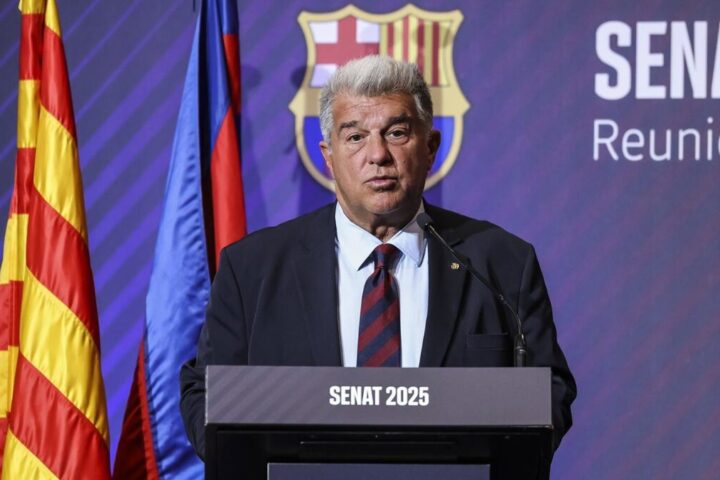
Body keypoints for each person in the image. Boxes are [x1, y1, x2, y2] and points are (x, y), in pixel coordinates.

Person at [180, 55, 576, 466]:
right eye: (355, 137)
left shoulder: (501, 265)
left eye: (397, 133)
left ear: (430, 148)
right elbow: (206, 394)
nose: (378, 155)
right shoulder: (252, 269)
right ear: (328, 156)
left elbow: (549, 391)